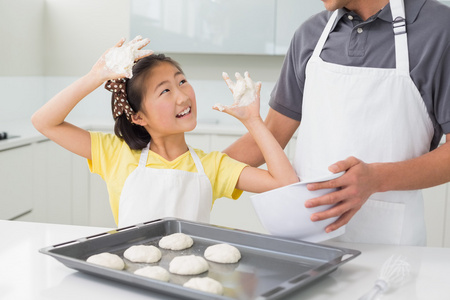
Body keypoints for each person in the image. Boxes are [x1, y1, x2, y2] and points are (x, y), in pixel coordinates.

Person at [224, 0, 450, 245]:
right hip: (308, 241)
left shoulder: (438, 29)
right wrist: (194, 168)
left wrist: (377, 178)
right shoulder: (311, 34)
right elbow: (271, 135)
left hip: (390, 251)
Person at [31, 37, 299, 228]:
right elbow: (44, 122)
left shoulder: (212, 166)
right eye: (165, 90)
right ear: (138, 116)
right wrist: (95, 77)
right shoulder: (115, 153)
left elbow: (286, 186)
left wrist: (254, 121)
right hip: (131, 276)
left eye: (182, 81)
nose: (183, 96)